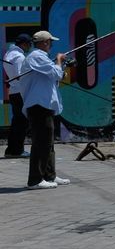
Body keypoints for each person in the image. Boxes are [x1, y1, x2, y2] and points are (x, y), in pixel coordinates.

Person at [22, 30, 70, 189]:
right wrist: (58, 60)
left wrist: (60, 65)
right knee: (40, 142)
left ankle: (50, 175)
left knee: (48, 143)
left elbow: (55, 76)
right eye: (50, 42)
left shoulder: (40, 58)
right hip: (38, 106)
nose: (51, 46)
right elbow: (56, 73)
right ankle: (35, 179)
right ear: (44, 43)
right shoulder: (36, 56)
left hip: (45, 105)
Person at [4, 33, 32, 158]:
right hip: (20, 93)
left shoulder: (9, 54)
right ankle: (18, 150)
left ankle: (11, 150)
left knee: (16, 122)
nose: (30, 46)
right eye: (29, 44)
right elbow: (22, 76)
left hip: (13, 92)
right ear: (24, 44)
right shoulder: (19, 57)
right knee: (22, 123)